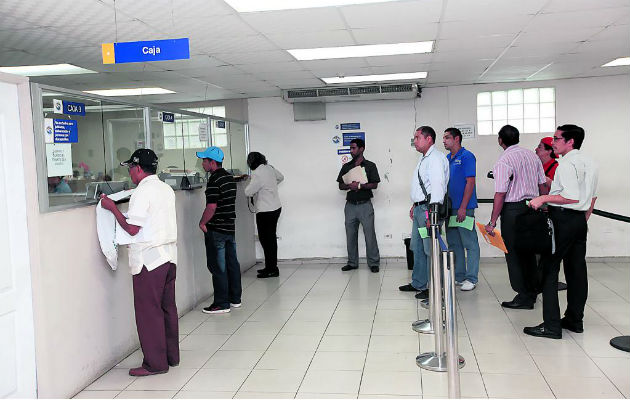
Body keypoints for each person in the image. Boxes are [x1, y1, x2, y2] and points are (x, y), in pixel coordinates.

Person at [99, 148, 179, 377]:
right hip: (168, 256)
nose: (130, 174)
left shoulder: (142, 192)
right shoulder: (165, 188)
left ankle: (155, 363)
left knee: (148, 312)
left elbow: (132, 229)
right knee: (167, 308)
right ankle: (171, 356)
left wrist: (112, 208)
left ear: (137, 169)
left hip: (149, 261)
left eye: (130, 169)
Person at [525, 125, 598, 339]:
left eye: (557, 139)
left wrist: (542, 198)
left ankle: (551, 326)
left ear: (570, 141)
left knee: (548, 269)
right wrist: (580, 220)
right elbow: (590, 198)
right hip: (578, 221)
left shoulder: (566, 164)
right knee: (576, 271)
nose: (553, 142)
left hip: (564, 219)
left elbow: (572, 197)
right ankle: (575, 320)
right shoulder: (590, 162)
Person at [484, 125, 547, 309]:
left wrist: (492, 221)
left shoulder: (504, 161)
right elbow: (542, 185)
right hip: (533, 207)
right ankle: (532, 292)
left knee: (513, 253)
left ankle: (523, 295)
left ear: (500, 140)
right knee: (529, 252)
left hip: (513, 211)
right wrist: (544, 207)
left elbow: (500, 194)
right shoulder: (532, 156)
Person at [399, 126, 449, 300]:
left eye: (417, 137)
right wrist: (415, 204)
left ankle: (435, 287)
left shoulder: (435, 158)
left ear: (429, 139)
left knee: (431, 249)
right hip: (420, 208)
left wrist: (432, 214)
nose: (415, 141)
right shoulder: (424, 159)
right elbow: (423, 186)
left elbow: (437, 187)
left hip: (429, 211)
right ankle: (419, 283)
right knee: (418, 247)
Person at [197, 146, 242, 314]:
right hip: (230, 227)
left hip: (217, 229)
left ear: (212, 163)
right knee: (232, 264)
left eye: (204, 161)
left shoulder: (214, 180)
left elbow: (212, 207)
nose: (202, 164)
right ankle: (234, 299)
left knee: (218, 266)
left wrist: (202, 223)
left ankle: (221, 303)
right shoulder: (229, 178)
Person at [443, 128, 480, 291]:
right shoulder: (446, 158)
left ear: (457, 139)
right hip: (449, 208)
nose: (444, 140)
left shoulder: (467, 156)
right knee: (454, 243)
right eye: (443, 138)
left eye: (447, 137)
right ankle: (459, 276)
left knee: (469, 243)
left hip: (464, 208)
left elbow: (470, 182)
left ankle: (471, 278)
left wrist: (463, 207)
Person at [336, 138, 381, 273]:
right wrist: (349, 185)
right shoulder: (346, 166)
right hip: (350, 206)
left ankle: (373, 263)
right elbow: (340, 185)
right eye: (350, 148)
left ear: (361, 149)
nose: (351, 150)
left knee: (369, 235)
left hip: (365, 205)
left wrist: (360, 186)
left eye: (354, 148)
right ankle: (352, 262)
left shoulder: (370, 165)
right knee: (350, 235)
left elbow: (375, 184)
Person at [535, 137, 568, 292]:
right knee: (539, 248)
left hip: (551, 213)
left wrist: (546, 181)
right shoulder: (538, 166)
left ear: (549, 151)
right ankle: (540, 279)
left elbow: (561, 191)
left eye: (540, 147)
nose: (536, 149)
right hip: (539, 212)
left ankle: (549, 280)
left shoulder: (557, 168)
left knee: (551, 248)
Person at [244, 151, 284, 279]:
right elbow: (281, 177)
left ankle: (271, 269)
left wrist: (260, 186)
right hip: (276, 207)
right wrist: (270, 186)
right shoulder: (269, 168)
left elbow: (248, 192)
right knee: (271, 239)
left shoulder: (257, 173)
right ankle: (271, 267)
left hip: (265, 210)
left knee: (266, 240)